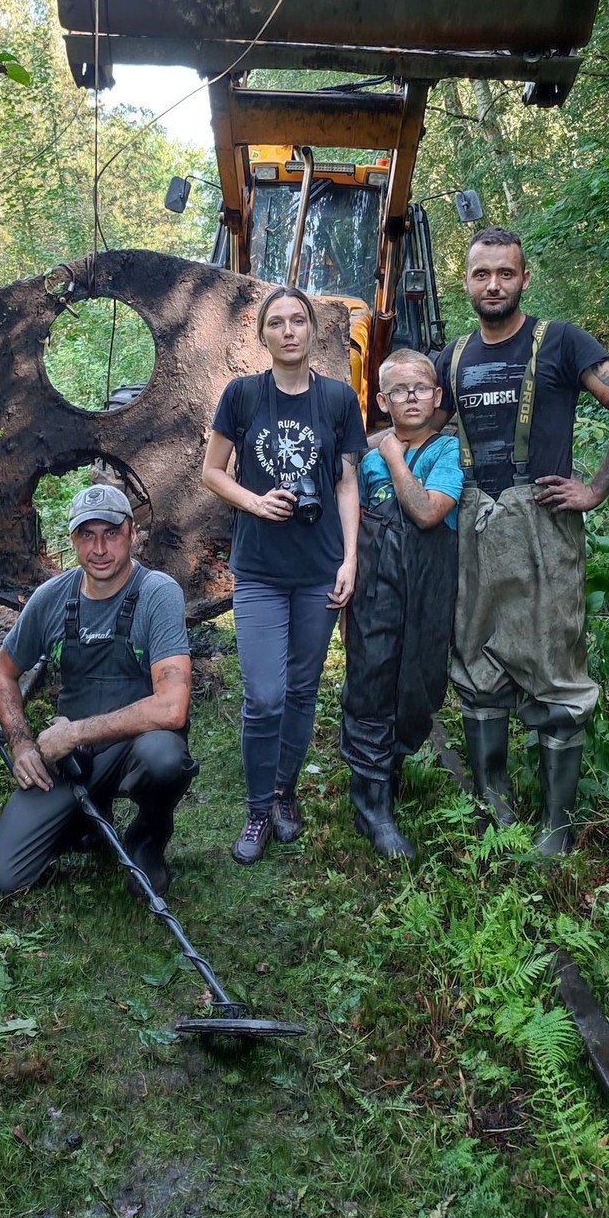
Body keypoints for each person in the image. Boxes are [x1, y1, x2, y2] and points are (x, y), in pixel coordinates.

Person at [435, 228, 609, 854]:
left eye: (505, 273)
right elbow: (405, 424)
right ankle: (493, 805)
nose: (494, 286)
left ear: (524, 278)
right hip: (474, 524)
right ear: (467, 282)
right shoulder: (452, 358)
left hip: (544, 521)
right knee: (475, 658)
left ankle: (556, 830)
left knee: (557, 662)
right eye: (482, 275)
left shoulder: (561, 341)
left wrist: (595, 489)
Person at [202, 285, 365, 864]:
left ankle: (283, 794)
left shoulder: (340, 401)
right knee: (265, 694)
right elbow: (211, 471)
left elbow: (347, 484)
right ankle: (254, 810)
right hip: (262, 570)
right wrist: (254, 502)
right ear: (263, 334)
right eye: (278, 322)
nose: (289, 330)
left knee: (301, 690)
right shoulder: (242, 396)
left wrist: (350, 558)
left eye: (299, 321)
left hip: (319, 568)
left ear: (313, 332)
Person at [0, 484, 195, 898]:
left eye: (110, 533)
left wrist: (75, 733)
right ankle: (84, 822)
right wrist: (22, 744)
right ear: (73, 539)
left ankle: (148, 838)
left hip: (135, 744)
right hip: (72, 759)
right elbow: (2, 673)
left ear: (132, 533)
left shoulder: (157, 593)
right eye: (86, 535)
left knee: (164, 758)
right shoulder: (50, 599)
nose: (99, 548)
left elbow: (172, 707)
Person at [340, 349, 462, 858]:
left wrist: (393, 456)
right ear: (384, 401)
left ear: (436, 398)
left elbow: (429, 513)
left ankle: (389, 767)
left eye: (420, 388)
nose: (411, 396)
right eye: (398, 390)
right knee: (371, 683)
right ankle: (372, 803)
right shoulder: (363, 462)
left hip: (429, 589)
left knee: (419, 685)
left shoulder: (445, 454)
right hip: (375, 592)